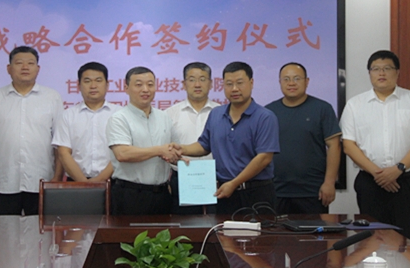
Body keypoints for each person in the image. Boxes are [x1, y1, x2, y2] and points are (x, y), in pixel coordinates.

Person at [340, 50, 410, 244]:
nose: (381, 73)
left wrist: (398, 169)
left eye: (387, 68)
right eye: (376, 69)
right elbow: (349, 145)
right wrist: (379, 174)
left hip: (407, 181)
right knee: (372, 241)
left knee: (409, 240)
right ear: (369, 73)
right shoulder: (355, 105)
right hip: (370, 183)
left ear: (397, 72)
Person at [179, 62, 280, 215]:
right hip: (224, 192)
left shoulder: (265, 117)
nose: (234, 89)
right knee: (222, 230)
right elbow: (204, 145)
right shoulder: (216, 114)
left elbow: (264, 158)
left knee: (260, 230)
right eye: (229, 84)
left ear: (251, 83)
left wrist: (234, 183)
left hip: (256, 192)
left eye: (239, 83)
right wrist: (181, 149)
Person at [0, 46, 63, 216]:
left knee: (40, 231)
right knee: (4, 230)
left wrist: (57, 177)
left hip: (41, 180)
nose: (25, 67)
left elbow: (60, 142)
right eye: (19, 63)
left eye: (30, 63)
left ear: (38, 68)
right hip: (4, 181)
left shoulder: (52, 98)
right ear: (9, 68)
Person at [266, 62, 341, 214]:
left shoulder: (322, 108)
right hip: (276, 190)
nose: (291, 83)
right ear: (280, 82)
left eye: (297, 78)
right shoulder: (269, 112)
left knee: (312, 230)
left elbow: (334, 146)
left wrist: (329, 183)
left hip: (313, 191)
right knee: (275, 230)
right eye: (286, 79)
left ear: (307, 81)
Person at [106, 66, 178, 215]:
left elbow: (171, 150)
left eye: (150, 84)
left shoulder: (164, 117)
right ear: (126, 88)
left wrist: (176, 156)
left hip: (162, 194)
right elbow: (123, 154)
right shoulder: (119, 119)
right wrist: (159, 150)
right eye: (138, 85)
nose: (145, 89)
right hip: (130, 194)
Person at [165, 62, 220, 214]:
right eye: (192, 79)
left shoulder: (222, 112)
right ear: (183, 84)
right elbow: (165, 149)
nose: (197, 84)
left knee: (216, 223)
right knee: (184, 225)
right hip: (181, 180)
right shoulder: (170, 114)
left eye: (202, 79)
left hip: (216, 180)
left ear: (211, 84)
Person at [53, 62, 121, 182]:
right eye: (87, 81)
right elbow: (63, 153)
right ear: (79, 85)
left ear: (107, 85)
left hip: (114, 181)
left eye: (98, 80)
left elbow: (121, 152)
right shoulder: (67, 115)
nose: (93, 86)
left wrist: (99, 180)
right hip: (75, 181)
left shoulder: (120, 114)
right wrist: (84, 183)